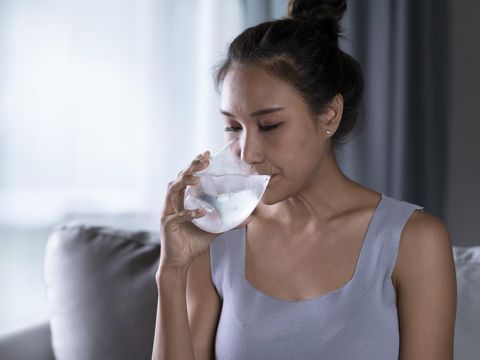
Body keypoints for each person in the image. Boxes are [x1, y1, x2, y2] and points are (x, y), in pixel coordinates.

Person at [152, 0, 457, 359]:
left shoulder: (413, 241)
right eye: (234, 127)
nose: (246, 153)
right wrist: (172, 272)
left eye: (270, 125)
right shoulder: (218, 240)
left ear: (329, 114)